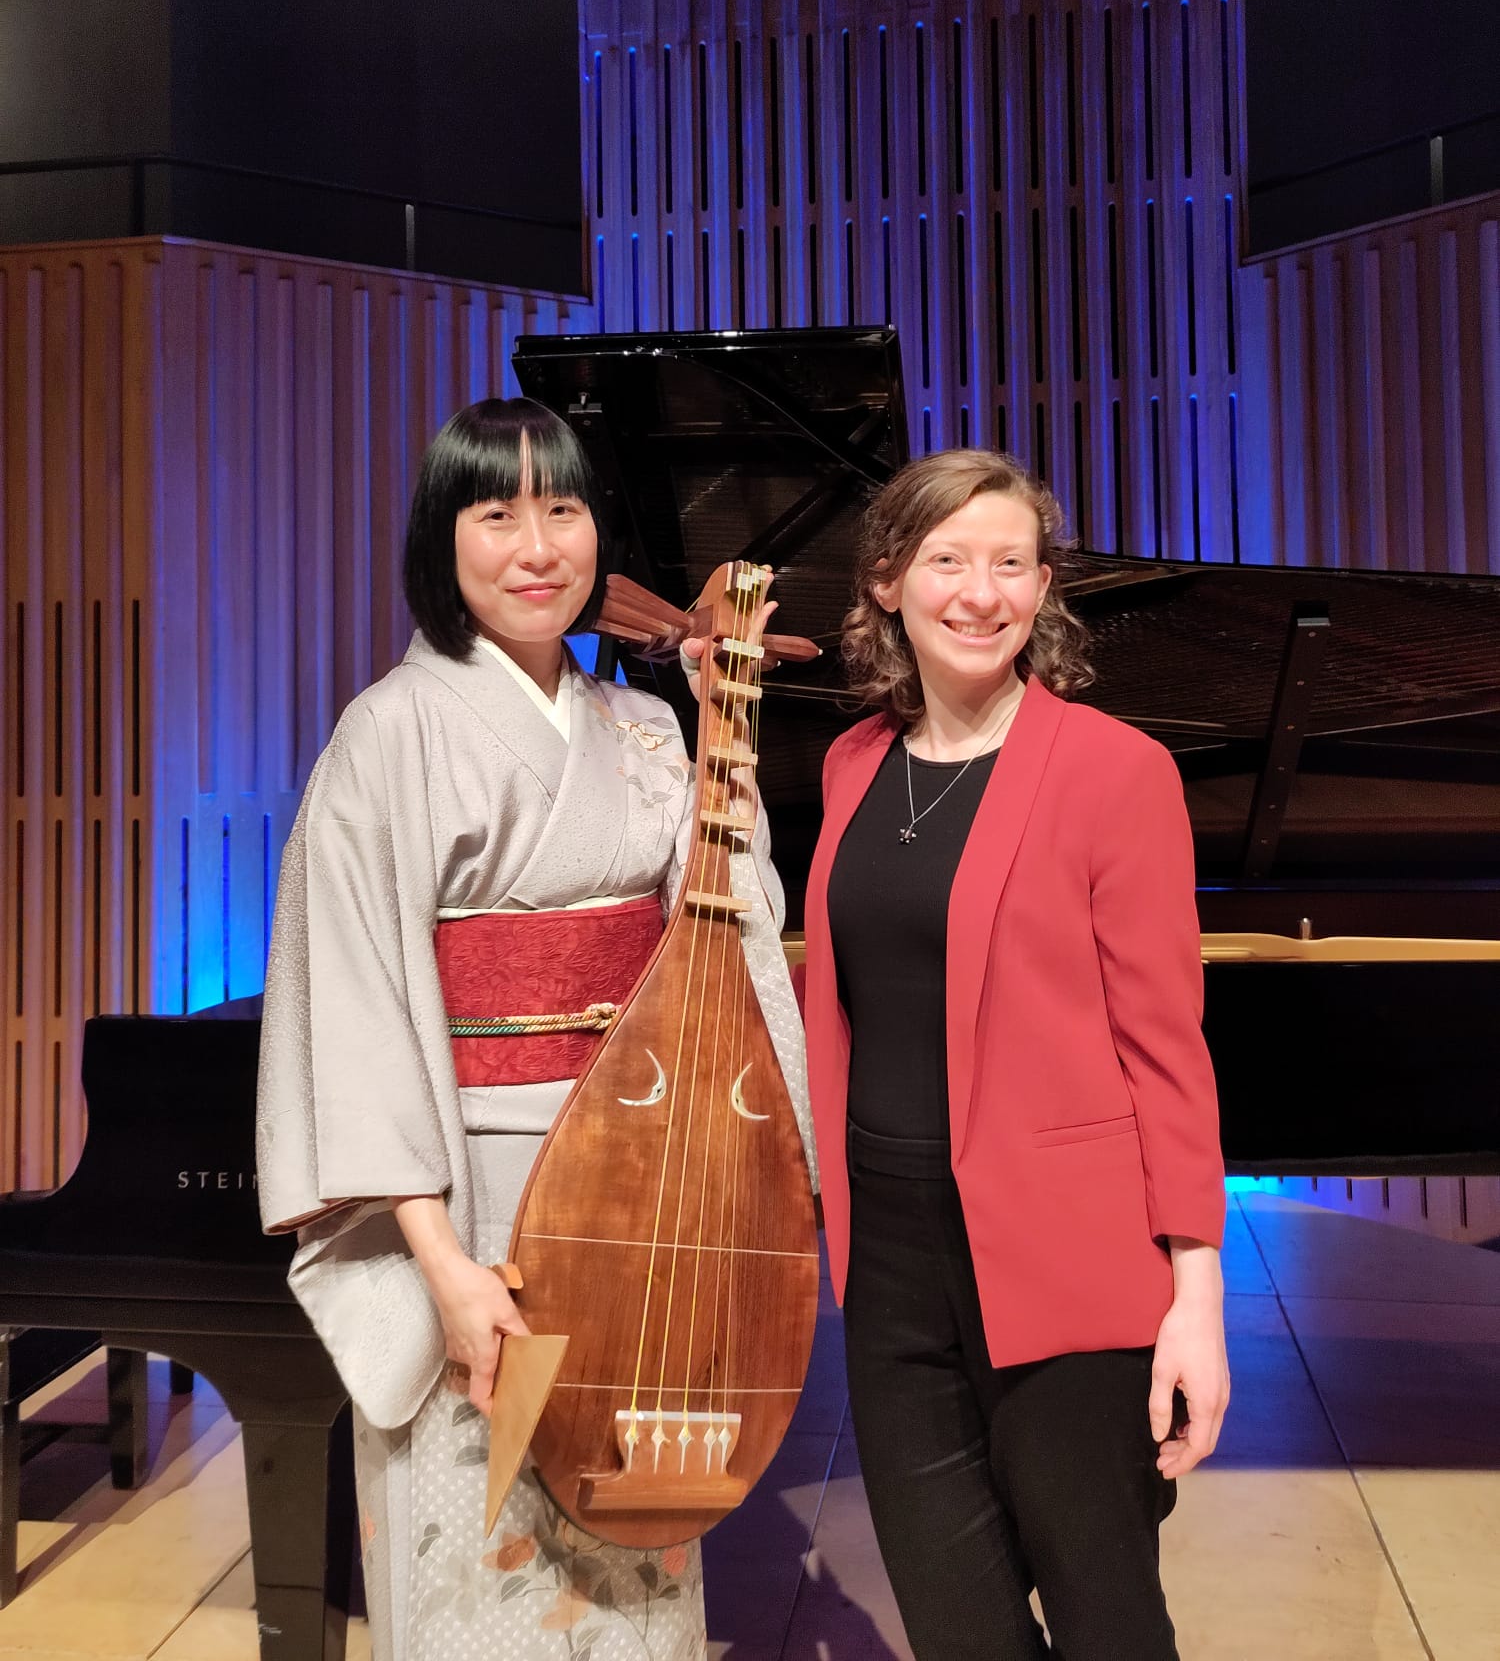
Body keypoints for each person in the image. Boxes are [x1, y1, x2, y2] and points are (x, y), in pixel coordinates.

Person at [256, 397, 812, 1661]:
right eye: (495, 513)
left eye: (561, 509)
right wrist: (441, 1263)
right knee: (477, 1555)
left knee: (636, 1560)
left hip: (645, 1189)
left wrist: (721, 723)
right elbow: (353, 1004)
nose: (537, 545)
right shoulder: (387, 733)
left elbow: (722, 942)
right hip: (474, 1194)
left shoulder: (647, 727)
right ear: (440, 541)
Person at [800, 448, 1229, 1661]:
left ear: (1044, 588)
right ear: (888, 581)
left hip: (1069, 1266)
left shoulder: (1116, 770)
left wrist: (1195, 1296)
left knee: (1106, 1619)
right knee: (957, 1624)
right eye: (947, 560)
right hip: (887, 1265)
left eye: (1010, 562)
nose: (979, 592)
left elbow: (1167, 1052)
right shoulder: (850, 764)